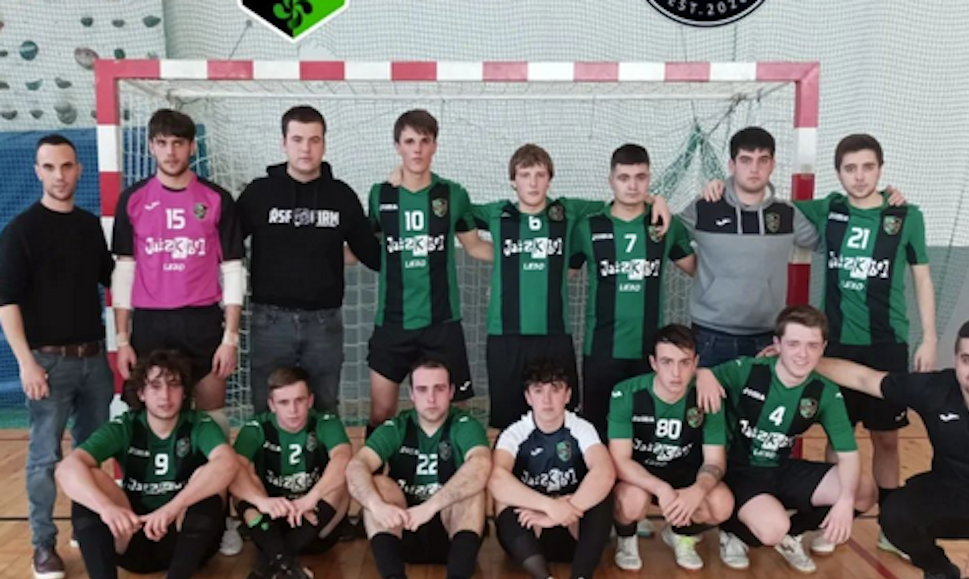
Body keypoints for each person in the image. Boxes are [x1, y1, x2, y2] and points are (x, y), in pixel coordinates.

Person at [792, 134, 937, 555]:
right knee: (838, 436)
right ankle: (832, 523)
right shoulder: (829, 209)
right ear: (838, 174)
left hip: (886, 346)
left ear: (880, 169)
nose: (859, 176)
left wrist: (930, 338)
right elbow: (768, 202)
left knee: (887, 439)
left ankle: (891, 529)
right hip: (836, 348)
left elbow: (922, 278)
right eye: (850, 169)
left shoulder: (905, 216)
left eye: (867, 167)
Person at [472, 144, 670, 431]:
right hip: (506, 337)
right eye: (525, 175)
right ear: (513, 181)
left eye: (540, 175)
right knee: (504, 420)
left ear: (550, 179)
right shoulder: (497, 213)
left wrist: (656, 199)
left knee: (563, 418)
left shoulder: (567, 211)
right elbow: (455, 214)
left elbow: (623, 200)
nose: (533, 182)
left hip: (555, 336)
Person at [814, 317, 969, 579]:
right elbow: (864, 379)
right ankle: (939, 572)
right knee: (896, 515)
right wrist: (804, 359)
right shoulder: (936, 389)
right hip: (950, 492)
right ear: (956, 359)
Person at [55, 350, 238, 579]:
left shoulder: (198, 424)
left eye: (174, 385)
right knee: (89, 484)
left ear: (184, 392)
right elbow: (66, 469)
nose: (165, 395)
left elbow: (228, 464)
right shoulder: (127, 425)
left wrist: (172, 508)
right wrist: (107, 509)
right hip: (133, 536)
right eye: (155, 386)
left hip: (182, 537)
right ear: (141, 392)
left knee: (211, 484)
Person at [0, 135, 115, 579]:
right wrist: (26, 363)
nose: (59, 175)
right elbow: (7, 303)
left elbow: (112, 278)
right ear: (37, 172)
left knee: (91, 452)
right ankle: (43, 544)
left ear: (79, 169)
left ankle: (86, 527)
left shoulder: (88, 227)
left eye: (66, 166)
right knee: (45, 456)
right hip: (47, 364)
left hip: (93, 360)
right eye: (49, 167)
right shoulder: (21, 231)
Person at [698, 305, 876, 573]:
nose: (803, 354)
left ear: (823, 348)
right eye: (794, 344)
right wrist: (703, 373)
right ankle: (733, 531)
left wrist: (846, 501)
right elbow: (687, 378)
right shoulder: (747, 371)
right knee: (771, 529)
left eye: (812, 345)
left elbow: (848, 454)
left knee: (863, 490)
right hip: (740, 471)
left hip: (782, 468)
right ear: (777, 344)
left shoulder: (825, 391)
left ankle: (793, 534)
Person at [237, 105, 380, 414]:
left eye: (314, 140)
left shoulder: (341, 196)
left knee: (325, 408)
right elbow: (227, 245)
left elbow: (373, 255)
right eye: (297, 139)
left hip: (324, 323)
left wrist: (392, 204)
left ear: (324, 144)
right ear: (283, 143)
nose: (306, 148)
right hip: (269, 322)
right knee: (266, 410)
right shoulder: (259, 193)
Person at [111, 108, 244, 434]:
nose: (170, 152)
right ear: (150, 147)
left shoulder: (217, 199)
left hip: (201, 321)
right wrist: (122, 339)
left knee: (212, 413)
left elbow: (233, 270)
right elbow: (124, 272)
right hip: (150, 323)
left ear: (192, 147)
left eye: (178, 143)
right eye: (162, 143)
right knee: (147, 412)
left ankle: (216, 469)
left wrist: (230, 338)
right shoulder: (133, 200)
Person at [365, 109, 492, 435]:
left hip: (442, 323)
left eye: (424, 141)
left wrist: (519, 257)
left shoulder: (452, 194)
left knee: (455, 412)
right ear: (398, 146)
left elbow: (475, 246)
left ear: (435, 145)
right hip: (392, 322)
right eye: (410, 142)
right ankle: (377, 467)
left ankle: (453, 465)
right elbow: (364, 245)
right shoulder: (381, 194)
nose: (417, 149)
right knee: (381, 412)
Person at [346, 359, 490, 579]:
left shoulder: (465, 424)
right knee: (378, 484)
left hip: (450, 534)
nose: (431, 398)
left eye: (439, 389)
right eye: (422, 390)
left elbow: (481, 464)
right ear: (411, 394)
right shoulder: (397, 426)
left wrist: (431, 506)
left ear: (451, 392)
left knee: (473, 489)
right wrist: (376, 505)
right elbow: (356, 466)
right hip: (405, 530)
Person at [571, 144, 695, 440]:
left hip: (649, 353)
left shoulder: (665, 224)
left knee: (644, 433)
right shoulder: (589, 227)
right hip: (601, 351)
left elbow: (699, 271)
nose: (632, 185)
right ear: (611, 181)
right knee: (597, 432)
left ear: (649, 179)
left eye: (640, 177)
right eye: (624, 178)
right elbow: (563, 274)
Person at [673, 127, 819, 367]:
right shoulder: (705, 207)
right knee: (708, 394)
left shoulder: (786, 214)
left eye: (763, 160)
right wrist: (696, 270)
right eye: (746, 160)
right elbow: (666, 235)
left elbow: (828, 239)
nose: (754, 169)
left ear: (772, 165)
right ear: (732, 165)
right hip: (709, 336)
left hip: (768, 338)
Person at [489, 361, 615, 579]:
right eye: (538, 390)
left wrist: (567, 508)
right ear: (528, 397)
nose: (547, 399)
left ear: (567, 395)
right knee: (503, 498)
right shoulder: (515, 433)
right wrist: (548, 506)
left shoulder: (581, 428)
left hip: (574, 527)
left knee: (603, 493)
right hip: (531, 531)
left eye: (555, 390)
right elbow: (497, 480)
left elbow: (604, 472)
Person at [608, 324, 733, 572]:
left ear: (696, 363)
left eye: (684, 363)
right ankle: (626, 539)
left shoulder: (706, 396)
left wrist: (698, 490)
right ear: (653, 363)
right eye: (667, 362)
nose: (676, 373)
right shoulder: (627, 393)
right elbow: (619, 460)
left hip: (685, 476)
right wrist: (659, 488)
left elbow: (715, 461)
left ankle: (681, 534)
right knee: (631, 501)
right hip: (641, 477)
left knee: (722, 504)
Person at [229, 367, 352, 579]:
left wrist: (311, 499)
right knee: (241, 475)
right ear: (272, 405)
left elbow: (343, 457)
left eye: (299, 400)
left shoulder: (325, 422)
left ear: (310, 401)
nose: (293, 410)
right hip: (273, 521)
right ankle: (290, 568)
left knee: (344, 478)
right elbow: (232, 472)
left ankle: (269, 564)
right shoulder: (256, 428)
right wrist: (263, 502)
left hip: (315, 524)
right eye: (284, 402)